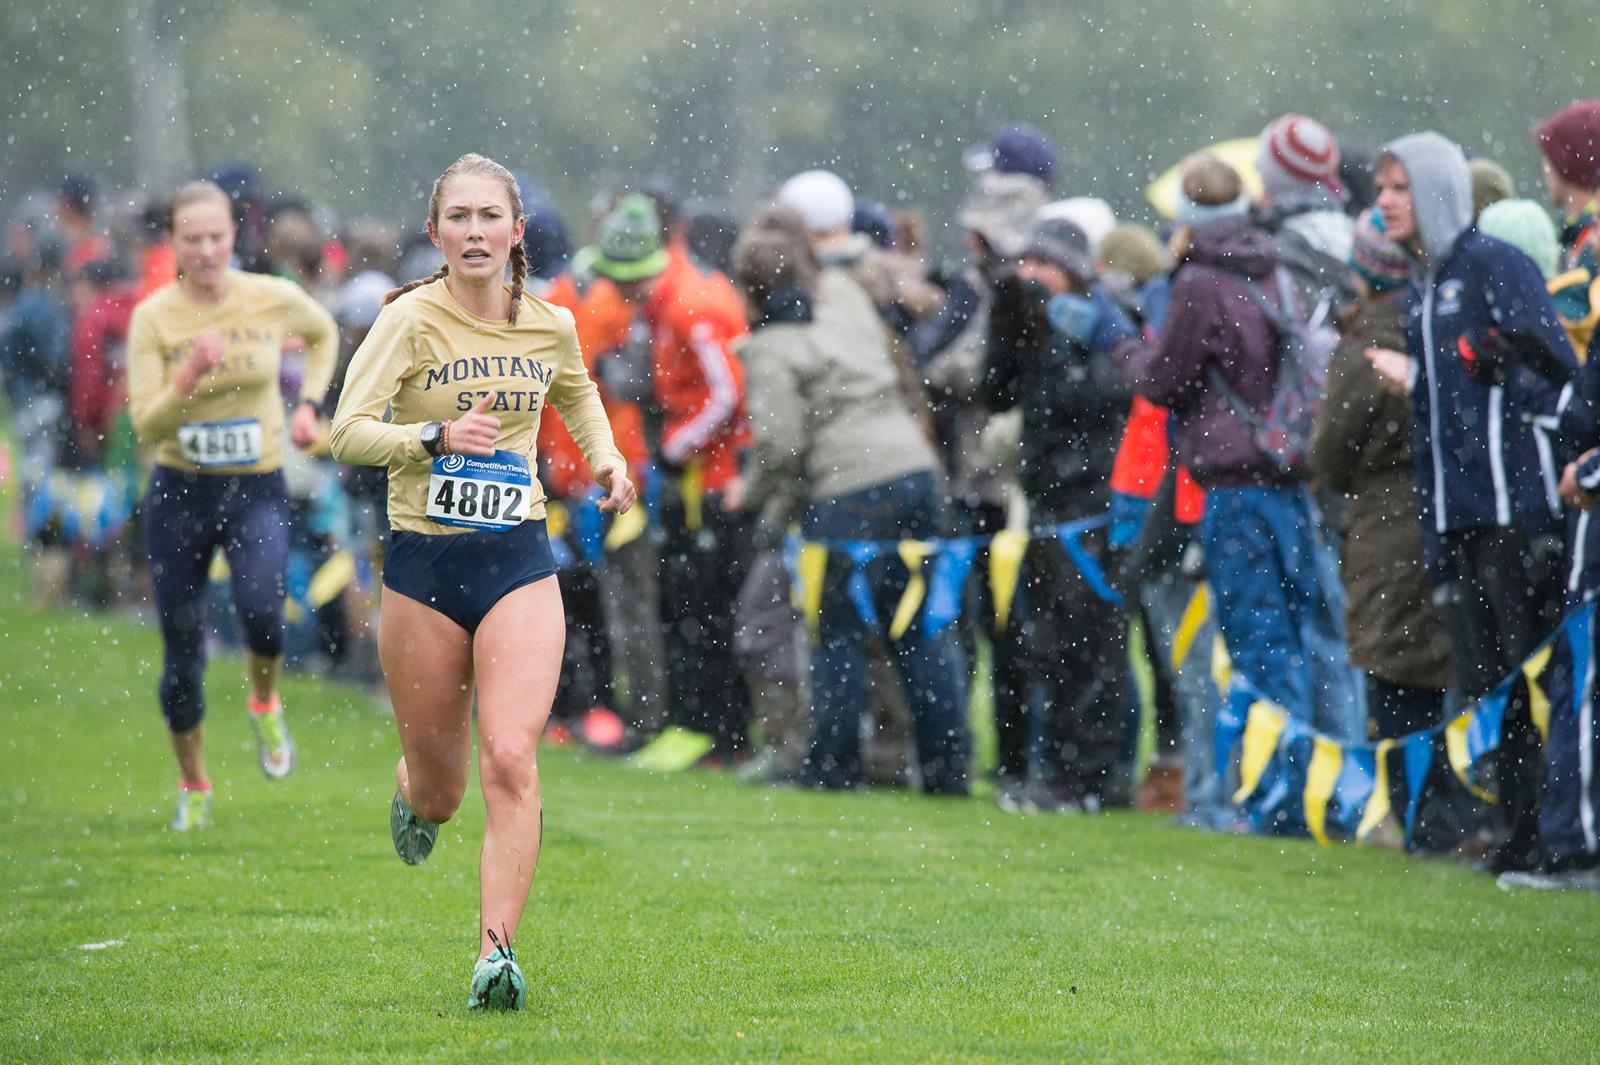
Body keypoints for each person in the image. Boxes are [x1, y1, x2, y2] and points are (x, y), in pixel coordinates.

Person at [329, 153, 634, 1010]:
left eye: (487, 217)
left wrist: (607, 461)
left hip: (518, 559)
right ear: (435, 233)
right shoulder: (407, 319)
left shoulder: (550, 323)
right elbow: (346, 432)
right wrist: (428, 441)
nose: (473, 232)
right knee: (445, 786)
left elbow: (576, 396)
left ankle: (494, 953)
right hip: (424, 566)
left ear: (515, 232)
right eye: (456, 218)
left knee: (509, 754)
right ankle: (413, 795)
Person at [1365, 132, 1576, 872]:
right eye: (1381, 188)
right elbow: (1440, 413)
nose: (1383, 201)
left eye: (1397, 187)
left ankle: (1554, 842)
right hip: (1454, 518)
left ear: (1434, 190)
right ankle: (1515, 836)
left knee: (1530, 682)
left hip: (1512, 516)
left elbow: (1560, 378)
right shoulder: (1424, 286)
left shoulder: (1495, 267)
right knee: (1487, 688)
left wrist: (1502, 375)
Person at [1114, 154, 1363, 759]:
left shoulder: (1199, 281)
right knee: (1315, 635)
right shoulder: (1274, 265)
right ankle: (1340, 784)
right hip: (1289, 470)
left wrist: (1118, 344)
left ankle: (1285, 793)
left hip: (1234, 481)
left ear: (1187, 214)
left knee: (1260, 642)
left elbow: (1163, 381)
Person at [732, 207, 969, 795]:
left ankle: (833, 769)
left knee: (832, 633)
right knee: (919, 627)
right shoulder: (841, 291)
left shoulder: (771, 347)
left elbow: (781, 446)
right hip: (915, 468)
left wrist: (756, 497)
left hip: (846, 488)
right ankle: (947, 771)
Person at [126, 179, 338, 831]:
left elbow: (324, 333)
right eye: (193, 238)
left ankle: (265, 704)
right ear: (174, 243)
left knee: (262, 613)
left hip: (256, 486)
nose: (208, 249)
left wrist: (309, 405)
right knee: (182, 651)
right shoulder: (154, 317)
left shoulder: (270, 297)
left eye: (218, 236)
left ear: (233, 237)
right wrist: (186, 377)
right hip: (180, 494)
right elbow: (145, 427)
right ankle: (194, 781)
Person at [984, 218, 1132, 811]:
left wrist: (1072, 336)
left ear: (1072, 268)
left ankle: (1091, 778)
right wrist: (1008, 325)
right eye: (1022, 266)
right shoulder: (1032, 324)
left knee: (1091, 644)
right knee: (1046, 644)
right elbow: (995, 394)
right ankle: (1060, 770)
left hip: (1091, 505)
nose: (1029, 277)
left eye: (1040, 265)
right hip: (1047, 503)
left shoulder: (1107, 321)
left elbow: (1108, 395)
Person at [1309, 209, 1453, 740]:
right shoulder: (1437, 322)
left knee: (1394, 675)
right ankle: (1452, 809)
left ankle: (1414, 812)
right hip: (1441, 511)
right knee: (1443, 674)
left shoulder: (1366, 344)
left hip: (1388, 524)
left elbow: (1329, 453)